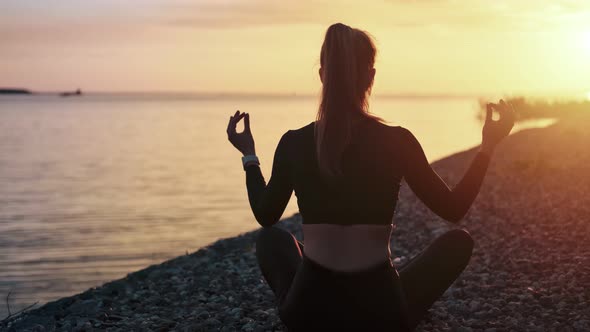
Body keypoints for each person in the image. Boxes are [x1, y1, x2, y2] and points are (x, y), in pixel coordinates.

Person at [226, 23, 515, 332]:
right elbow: (454, 209)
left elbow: (266, 214)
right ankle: (399, 304)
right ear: (371, 77)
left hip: (308, 315)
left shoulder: (293, 142)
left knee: (271, 239)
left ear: (323, 75)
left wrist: (249, 155)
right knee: (459, 242)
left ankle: (297, 303)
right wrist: (487, 148)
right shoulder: (398, 140)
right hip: (383, 316)